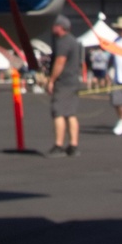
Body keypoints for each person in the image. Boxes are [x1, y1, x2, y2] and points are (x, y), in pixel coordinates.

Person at [45, 19, 82, 156]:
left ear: (60, 27)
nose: (52, 28)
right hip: (72, 81)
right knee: (70, 113)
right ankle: (73, 145)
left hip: (64, 82)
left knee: (58, 112)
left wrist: (51, 80)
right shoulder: (73, 40)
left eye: (54, 26)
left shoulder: (63, 42)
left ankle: (58, 145)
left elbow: (60, 62)